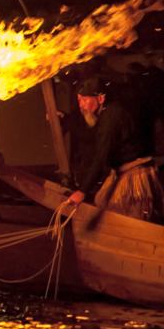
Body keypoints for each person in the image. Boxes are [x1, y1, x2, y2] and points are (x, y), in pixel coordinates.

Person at [67, 77, 163, 222]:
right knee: (102, 201)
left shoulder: (110, 120)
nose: (81, 105)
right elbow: (92, 136)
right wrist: (66, 119)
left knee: (126, 216)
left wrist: (82, 191)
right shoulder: (110, 112)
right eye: (79, 100)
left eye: (85, 99)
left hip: (135, 176)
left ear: (100, 98)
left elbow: (101, 156)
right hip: (125, 172)